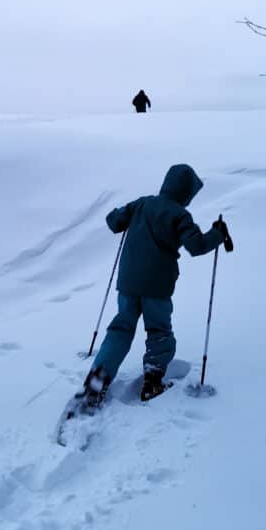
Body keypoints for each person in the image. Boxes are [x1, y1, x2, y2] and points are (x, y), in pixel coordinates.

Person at [78, 164, 230, 406]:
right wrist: (217, 234)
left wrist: (120, 215)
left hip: (127, 282)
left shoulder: (141, 204)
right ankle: (152, 382)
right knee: (158, 331)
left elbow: (113, 221)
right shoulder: (180, 215)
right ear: (186, 192)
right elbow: (197, 246)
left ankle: (95, 385)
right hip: (157, 287)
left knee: (120, 330)